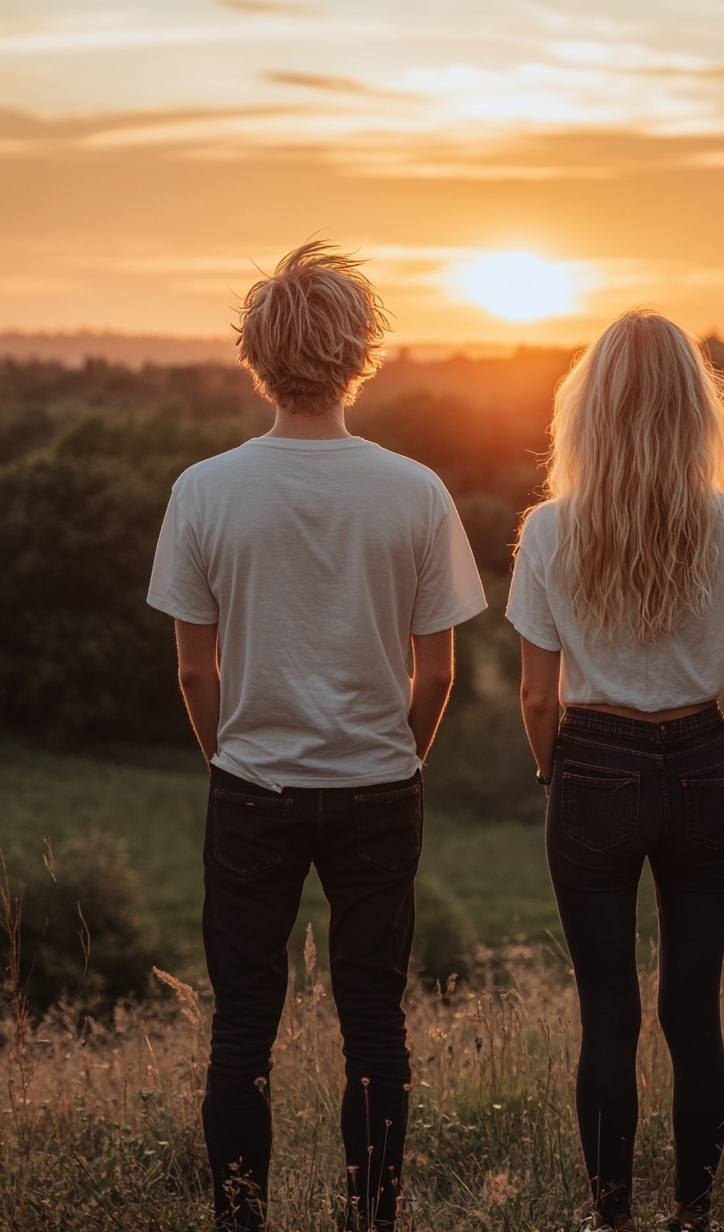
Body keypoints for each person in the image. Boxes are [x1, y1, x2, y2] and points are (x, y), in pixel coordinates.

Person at [147, 240, 486, 1231]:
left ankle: (240, 1219)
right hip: (382, 785)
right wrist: (399, 758)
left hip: (251, 784)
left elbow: (192, 670)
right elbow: (438, 673)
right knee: (374, 1024)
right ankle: (370, 1218)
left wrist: (231, 756)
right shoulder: (415, 490)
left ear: (256, 354)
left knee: (242, 1027)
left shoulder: (203, 490)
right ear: (359, 352)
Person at [506, 310, 724, 1232]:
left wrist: (560, 778)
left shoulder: (548, 529)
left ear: (590, 410)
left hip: (592, 764)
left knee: (608, 1020)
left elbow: (537, 701)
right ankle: (693, 1214)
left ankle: (611, 1219)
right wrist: (707, 759)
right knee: (693, 1015)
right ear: (697, 408)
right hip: (705, 759)